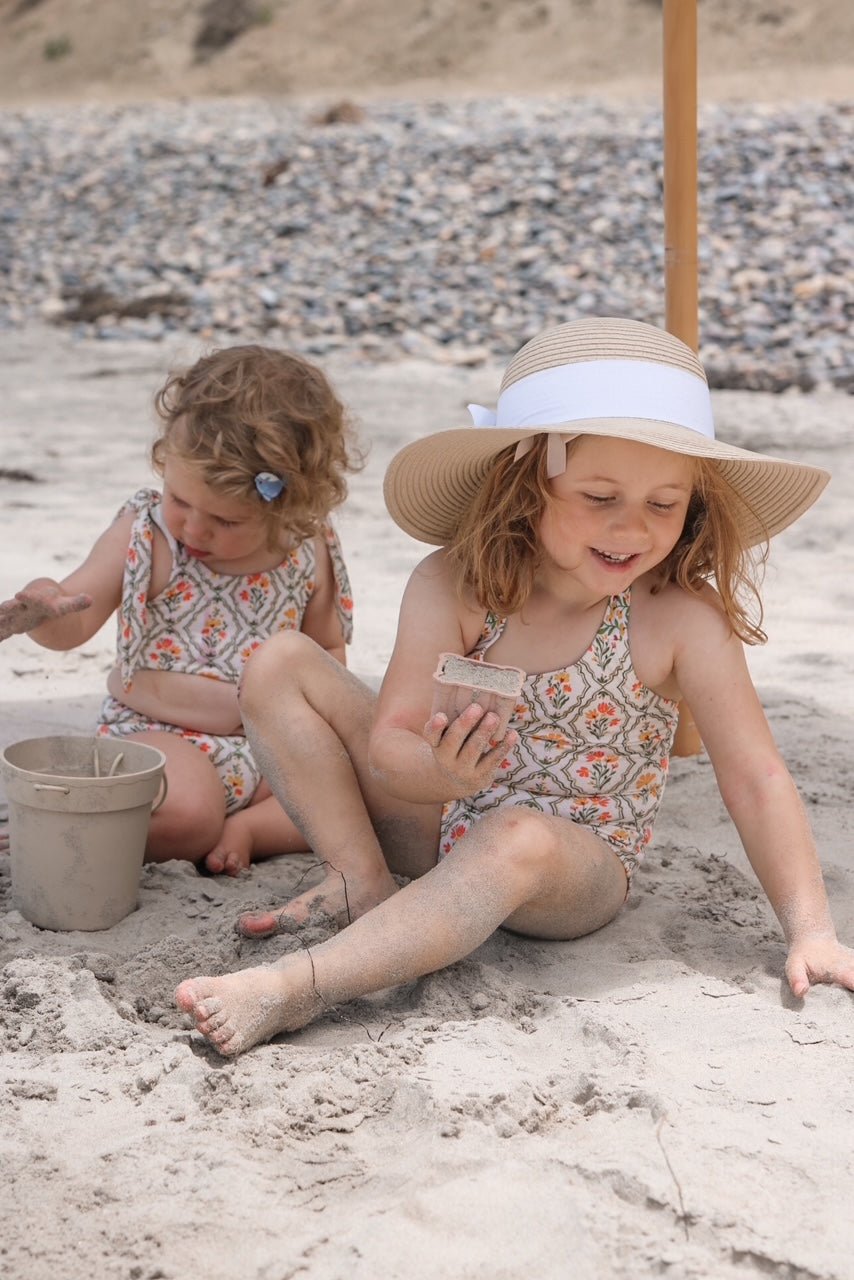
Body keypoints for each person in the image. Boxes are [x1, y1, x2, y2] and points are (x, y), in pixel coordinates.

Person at [174, 316, 854, 1056]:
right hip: (445, 810)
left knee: (514, 834)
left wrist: (812, 928)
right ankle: (360, 881)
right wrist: (439, 771)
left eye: (664, 504)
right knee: (279, 661)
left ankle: (298, 987)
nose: (633, 528)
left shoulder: (679, 620)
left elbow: (756, 777)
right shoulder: (454, 584)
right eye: (600, 497)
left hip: (573, 866)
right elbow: (389, 747)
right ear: (529, 483)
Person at [0, 344, 359, 874]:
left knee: (356, 792)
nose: (193, 527)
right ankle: (65, 828)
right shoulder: (148, 534)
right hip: (161, 736)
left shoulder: (311, 549)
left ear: (288, 502)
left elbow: (327, 650)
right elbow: (74, 619)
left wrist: (317, 732)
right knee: (188, 813)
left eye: (225, 520)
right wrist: (44, 608)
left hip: (269, 747)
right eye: (179, 499)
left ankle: (250, 831)